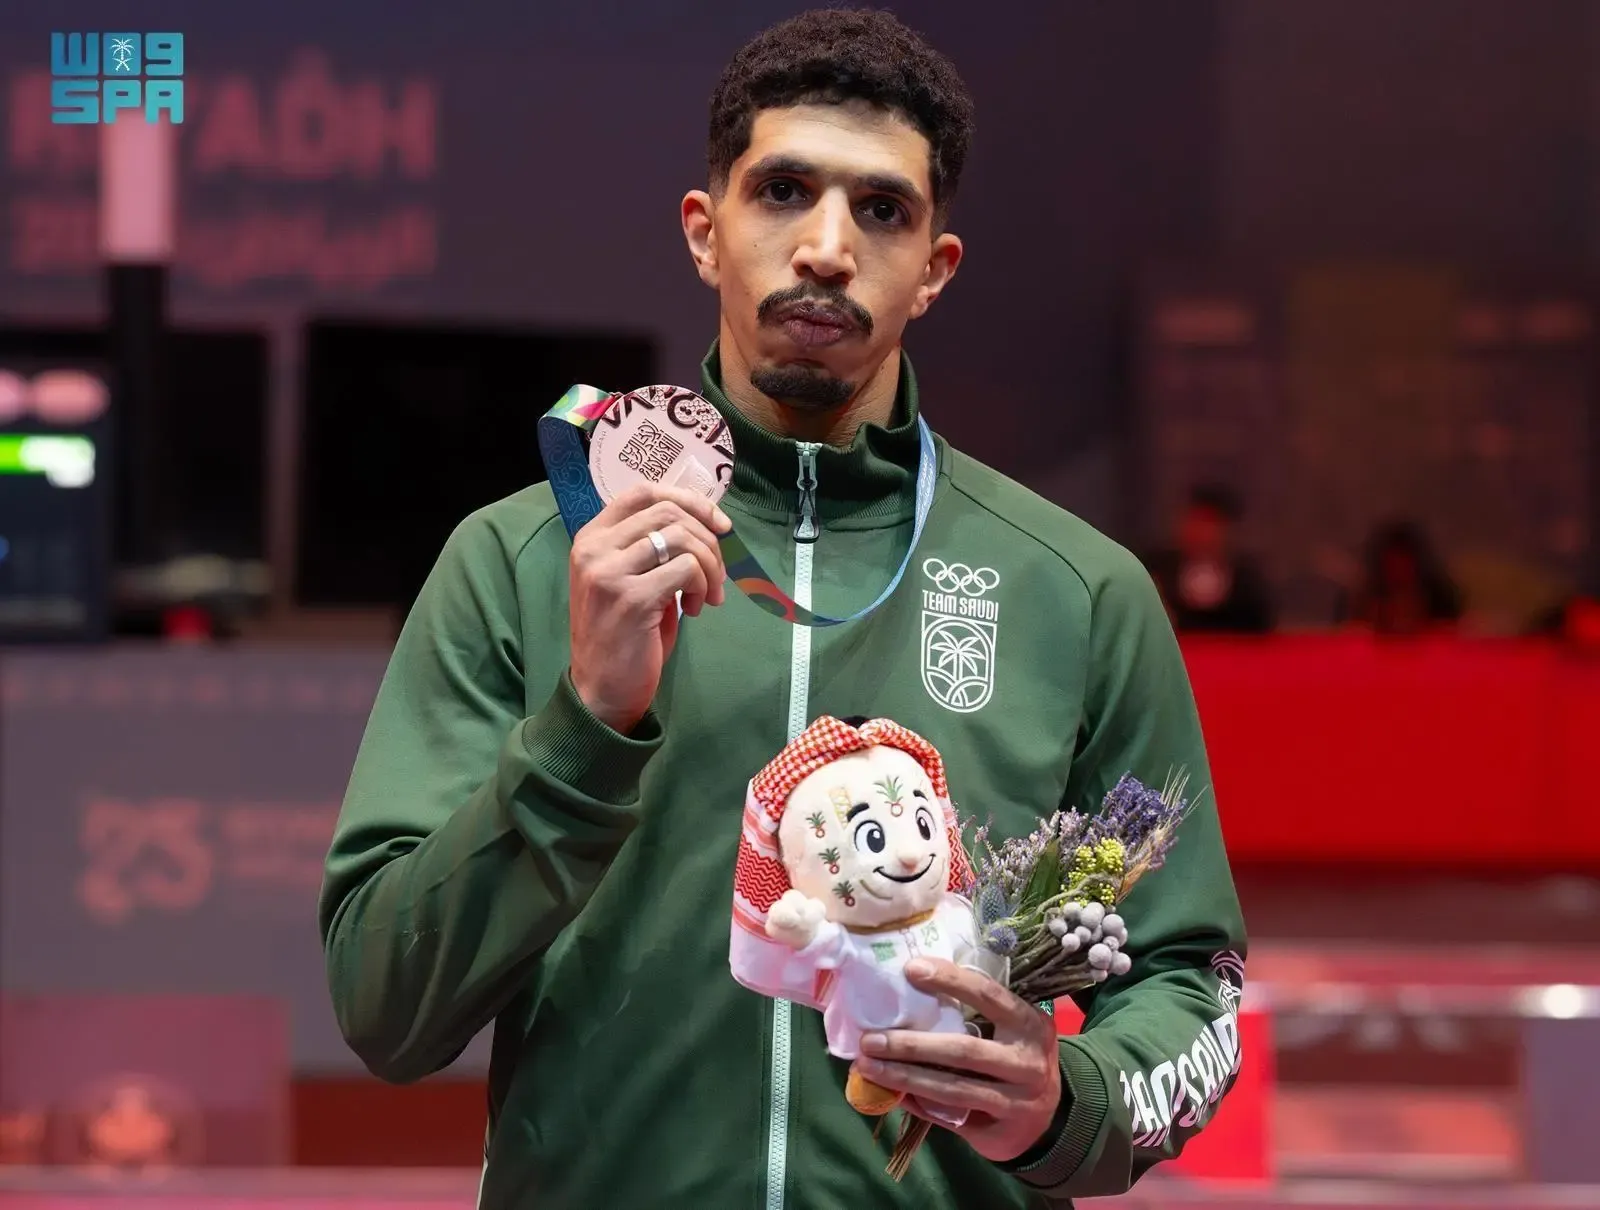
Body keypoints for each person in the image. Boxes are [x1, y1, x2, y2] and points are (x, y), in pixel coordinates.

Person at [317, 10, 1247, 1208]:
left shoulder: (1075, 592)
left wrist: (1071, 1100)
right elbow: (382, 1005)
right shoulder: (520, 559)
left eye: (881, 209)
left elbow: (1193, 981)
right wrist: (585, 725)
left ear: (935, 269)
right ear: (706, 233)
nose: (824, 246)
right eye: (784, 191)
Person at [1145, 485, 1274, 634]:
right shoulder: (1159, 572)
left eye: (1210, 525)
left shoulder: (1247, 583)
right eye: (1195, 522)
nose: (1201, 534)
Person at [1340, 519, 1462, 636]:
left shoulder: (1443, 603)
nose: (1399, 573)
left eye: (1405, 565)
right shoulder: (1361, 605)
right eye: (1393, 565)